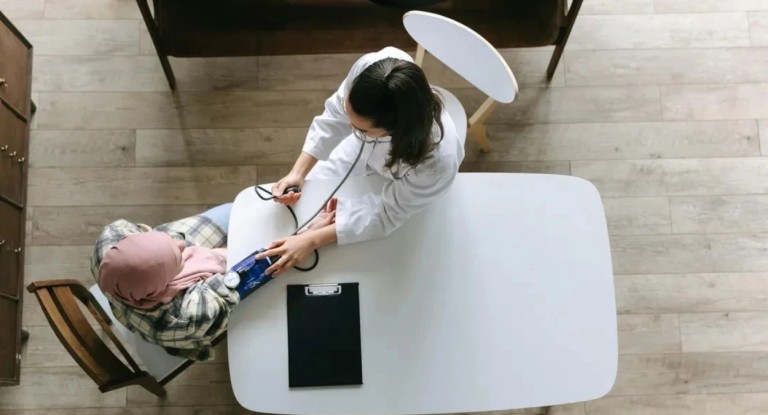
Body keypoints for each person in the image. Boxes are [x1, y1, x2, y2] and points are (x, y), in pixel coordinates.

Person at [258, 46, 464, 275]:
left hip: (407, 189)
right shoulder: (372, 70)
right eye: (350, 119)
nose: (349, 127)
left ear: (394, 130)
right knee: (310, 201)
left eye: (359, 128)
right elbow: (334, 116)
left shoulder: (435, 165)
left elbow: (387, 212)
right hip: (362, 151)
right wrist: (298, 173)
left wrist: (312, 240)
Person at [90, 203, 335, 360]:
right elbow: (240, 280)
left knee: (241, 209)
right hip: (194, 321)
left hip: (149, 286)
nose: (183, 244)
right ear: (161, 286)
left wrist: (164, 252)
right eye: (178, 258)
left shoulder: (111, 239)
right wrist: (307, 236)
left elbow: (173, 241)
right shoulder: (184, 318)